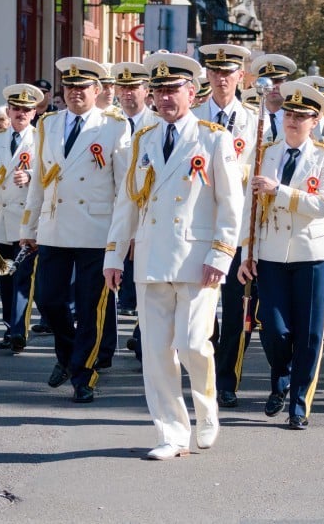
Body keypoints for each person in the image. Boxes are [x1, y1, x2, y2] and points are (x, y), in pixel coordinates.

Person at [103, 51, 243, 460]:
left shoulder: (213, 137)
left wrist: (221, 253)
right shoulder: (143, 139)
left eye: (172, 90)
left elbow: (230, 203)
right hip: (152, 257)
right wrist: (114, 254)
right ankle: (171, 431)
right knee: (157, 351)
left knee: (193, 344)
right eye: (159, 90)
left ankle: (207, 408)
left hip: (198, 259)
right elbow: (127, 202)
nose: (165, 99)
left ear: (192, 91)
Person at [21, 57, 130, 403]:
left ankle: (84, 375)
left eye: (82, 88)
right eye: (69, 87)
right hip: (54, 226)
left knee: (89, 307)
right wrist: (30, 226)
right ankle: (68, 355)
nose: (75, 93)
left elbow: (125, 186)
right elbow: (40, 178)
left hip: (96, 229)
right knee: (48, 299)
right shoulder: (47, 125)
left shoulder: (113, 126)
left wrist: (122, 237)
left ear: (97, 91)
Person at [238, 80, 324, 429]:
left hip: (313, 253)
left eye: (302, 116)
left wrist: (278, 190)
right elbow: (250, 207)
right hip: (271, 253)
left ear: (316, 121)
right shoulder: (265, 151)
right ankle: (280, 376)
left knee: (310, 334)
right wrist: (246, 254)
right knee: (274, 330)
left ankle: (299, 404)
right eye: (289, 113)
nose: (293, 121)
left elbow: (323, 205)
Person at [194, 43, 261, 410]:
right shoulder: (194, 115)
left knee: (236, 310)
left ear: (241, 76)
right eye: (215, 71)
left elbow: (262, 171)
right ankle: (202, 376)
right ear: (207, 75)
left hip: (239, 229)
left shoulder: (256, 120)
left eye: (229, 72)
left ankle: (228, 380)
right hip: (200, 225)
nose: (222, 78)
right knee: (201, 309)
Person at [0, 84, 40, 352]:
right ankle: (10, 327)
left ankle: (20, 330)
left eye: (26, 109)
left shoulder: (41, 139)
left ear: (34, 113)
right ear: (8, 111)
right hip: (0, 220)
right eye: (16, 108)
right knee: (4, 279)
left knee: (23, 278)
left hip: (26, 221)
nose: (20, 113)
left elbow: (50, 173)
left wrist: (30, 175)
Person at [111, 61, 156, 325]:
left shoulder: (157, 123)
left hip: (147, 211)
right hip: (112, 210)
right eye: (123, 88)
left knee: (148, 282)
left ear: (146, 90)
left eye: (134, 87)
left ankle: (142, 338)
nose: (127, 93)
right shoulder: (108, 123)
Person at [250, 54, 296, 143]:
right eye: (268, 82)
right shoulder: (251, 116)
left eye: (278, 81)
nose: (273, 86)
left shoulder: (295, 119)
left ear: (287, 83)